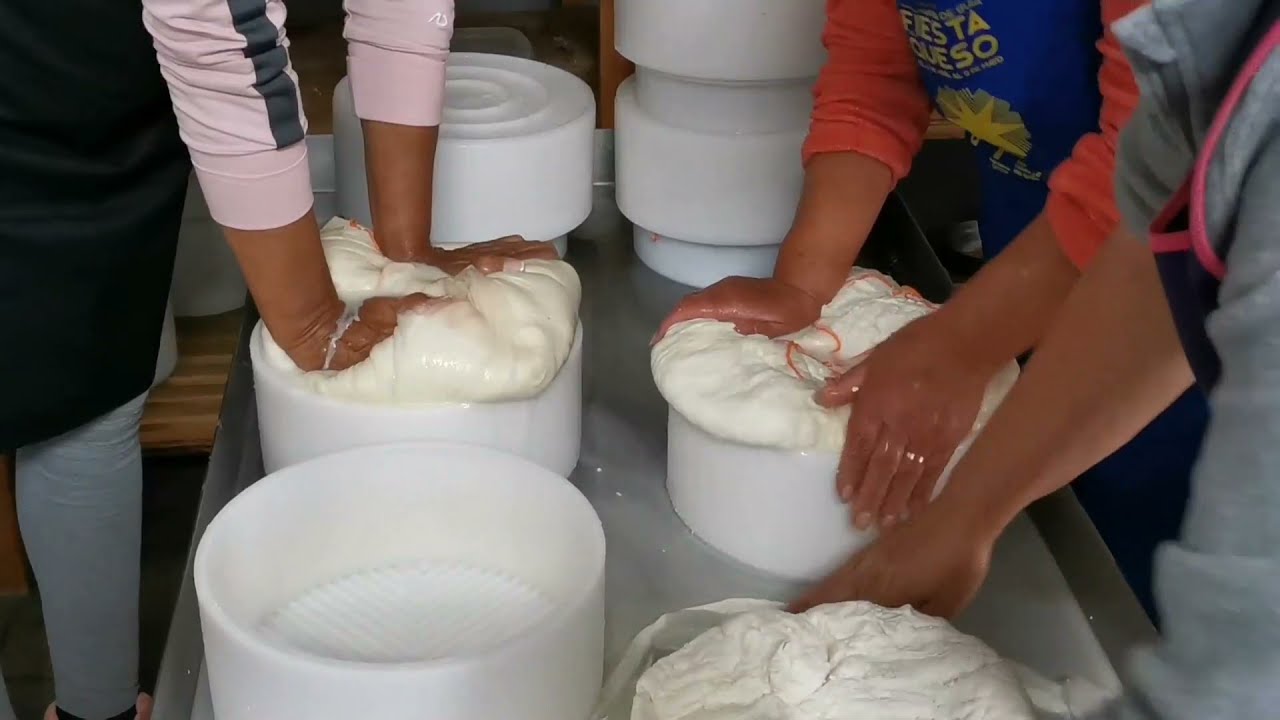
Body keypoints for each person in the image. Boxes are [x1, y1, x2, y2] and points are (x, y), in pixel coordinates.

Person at [0, 0, 553, 718]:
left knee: (91, 388)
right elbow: (217, 30)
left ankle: (95, 712)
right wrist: (313, 322)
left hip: (92, 81)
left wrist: (407, 248)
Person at [793, 0, 1280, 716]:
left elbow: (1233, 682)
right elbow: (1161, 244)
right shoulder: (1217, 88)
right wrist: (969, 514)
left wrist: (964, 347)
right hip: (1076, 318)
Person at [657, 0, 1206, 620]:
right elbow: (873, 82)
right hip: (1038, 266)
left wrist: (961, 348)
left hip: (1204, 322)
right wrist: (803, 285)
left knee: (1158, 587)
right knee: (1068, 542)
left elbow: (1167, 161)